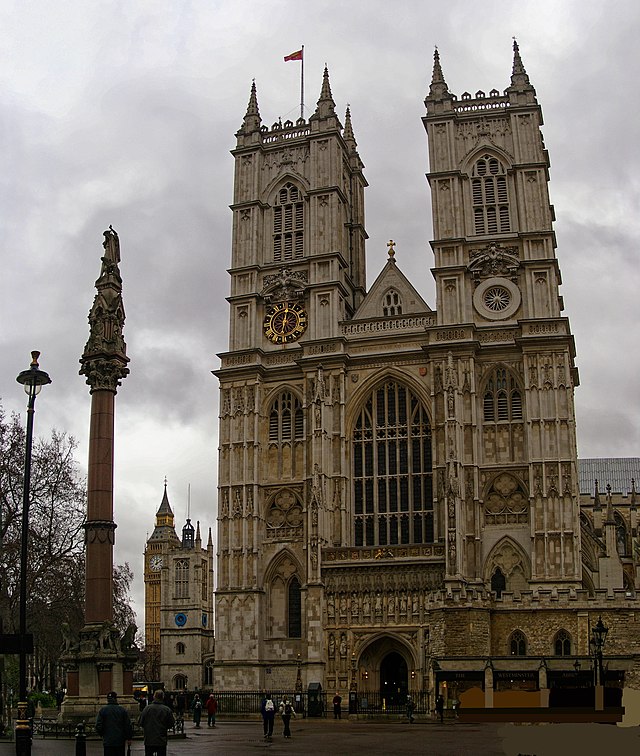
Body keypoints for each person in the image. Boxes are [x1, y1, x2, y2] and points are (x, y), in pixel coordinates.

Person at [95, 691, 133, 756]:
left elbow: (98, 725)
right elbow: (127, 725)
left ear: (107, 699)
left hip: (108, 741)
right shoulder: (122, 710)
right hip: (120, 741)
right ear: (115, 699)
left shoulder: (103, 710)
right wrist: (129, 738)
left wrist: (103, 735)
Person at [139, 689, 175, 756]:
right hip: (161, 739)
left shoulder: (147, 709)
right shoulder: (166, 710)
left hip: (149, 739)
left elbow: (141, 722)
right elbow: (171, 723)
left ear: (154, 697)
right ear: (163, 697)